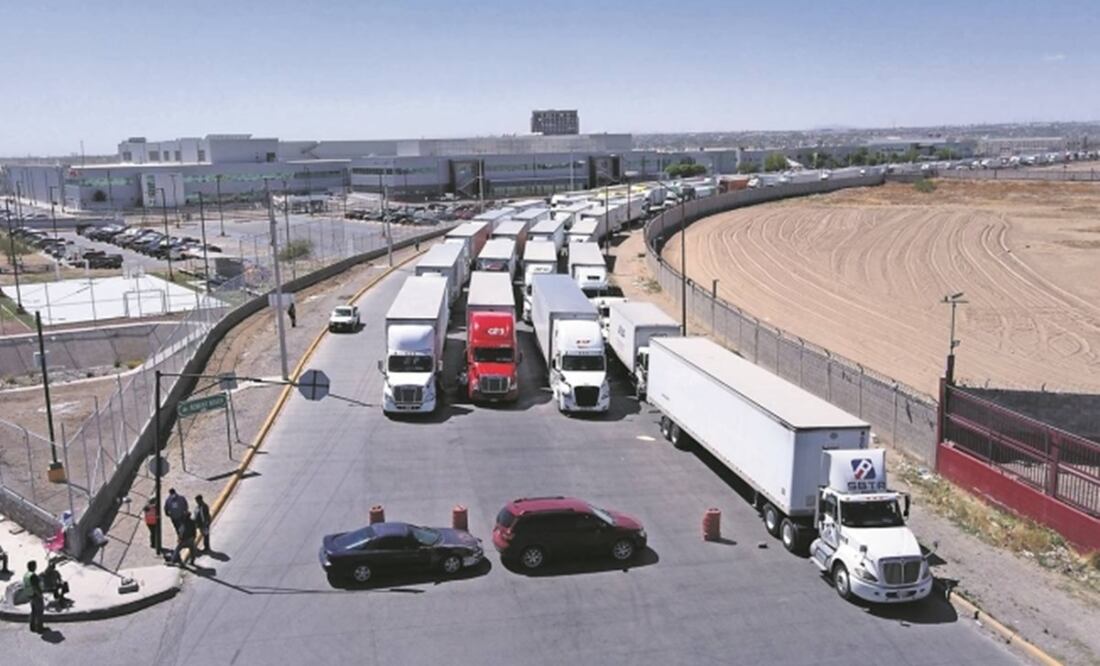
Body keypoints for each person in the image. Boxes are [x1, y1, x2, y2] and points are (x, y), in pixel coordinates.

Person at [23, 560, 44, 634]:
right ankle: (40, 628)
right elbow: (35, 587)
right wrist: (40, 595)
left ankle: (32, 626)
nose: (36, 567)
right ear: (33, 567)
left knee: (33, 611)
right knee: (39, 612)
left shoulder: (26, 574)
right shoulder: (33, 576)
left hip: (30, 595)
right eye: (35, 565)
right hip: (36, 595)